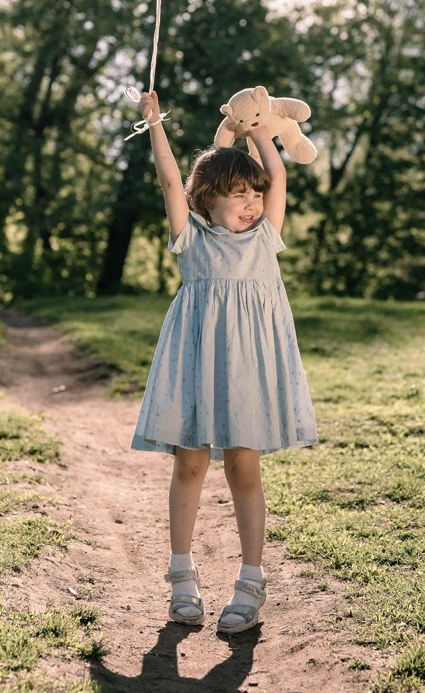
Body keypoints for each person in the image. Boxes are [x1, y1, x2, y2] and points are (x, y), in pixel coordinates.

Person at [131, 89, 317, 635]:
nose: (251, 202)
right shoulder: (191, 239)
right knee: (189, 463)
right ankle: (182, 577)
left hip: (250, 372)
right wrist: (155, 124)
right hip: (197, 365)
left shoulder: (265, 237)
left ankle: (250, 581)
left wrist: (259, 128)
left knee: (244, 467)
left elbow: (277, 179)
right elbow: (169, 180)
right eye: (237, 193)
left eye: (252, 192)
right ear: (206, 200)